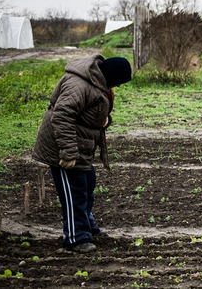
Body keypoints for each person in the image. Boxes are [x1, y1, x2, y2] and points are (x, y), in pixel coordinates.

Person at [32, 55, 132, 253]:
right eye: (119, 82)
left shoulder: (97, 83)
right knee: (74, 192)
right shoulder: (79, 84)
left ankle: (87, 226)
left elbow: (91, 114)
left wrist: (105, 121)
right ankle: (76, 238)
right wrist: (68, 153)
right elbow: (62, 116)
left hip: (80, 144)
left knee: (88, 183)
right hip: (62, 146)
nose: (118, 87)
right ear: (111, 76)